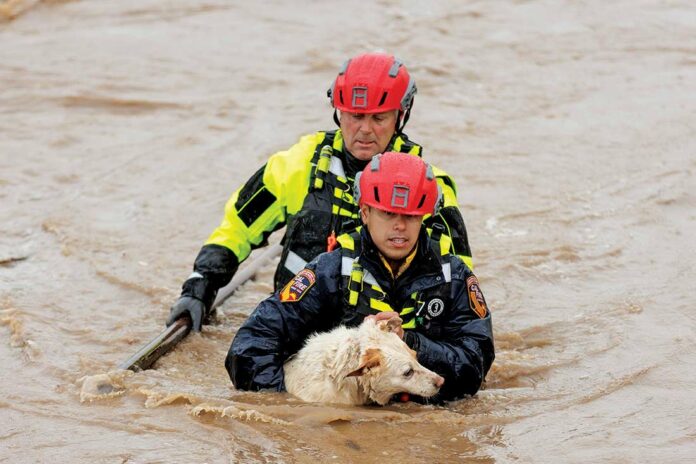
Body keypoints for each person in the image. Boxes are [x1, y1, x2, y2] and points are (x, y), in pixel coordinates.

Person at [167, 52, 474, 332]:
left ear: (400, 115)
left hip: (383, 339)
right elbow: (239, 225)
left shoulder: (430, 186)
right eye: (354, 116)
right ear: (338, 112)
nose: (365, 129)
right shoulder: (299, 164)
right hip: (298, 324)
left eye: (378, 118)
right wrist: (200, 286)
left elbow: (457, 280)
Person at [227, 152, 494, 402]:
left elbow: (475, 366)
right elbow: (250, 347)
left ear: (423, 217)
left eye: (410, 216)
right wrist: (287, 405)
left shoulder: (455, 277)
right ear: (365, 212)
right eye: (388, 213)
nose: (399, 225)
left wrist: (409, 343)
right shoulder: (329, 271)